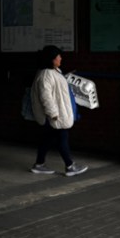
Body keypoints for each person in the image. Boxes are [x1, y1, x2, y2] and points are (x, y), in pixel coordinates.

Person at [30, 45, 87, 177]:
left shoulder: (54, 71)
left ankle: (39, 165)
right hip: (54, 115)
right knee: (62, 138)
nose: (61, 58)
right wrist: (53, 114)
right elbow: (46, 97)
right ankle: (70, 166)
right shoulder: (46, 75)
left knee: (48, 138)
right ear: (51, 59)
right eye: (58, 56)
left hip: (56, 114)